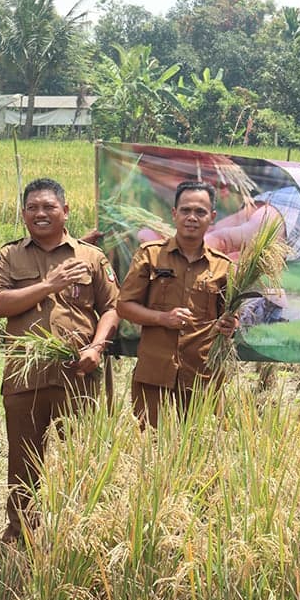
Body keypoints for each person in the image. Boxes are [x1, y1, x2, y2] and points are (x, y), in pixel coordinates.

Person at [0, 178, 119, 543]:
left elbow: (112, 308)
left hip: (78, 376)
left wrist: (96, 347)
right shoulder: (8, 256)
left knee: (80, 457)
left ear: (66, 211)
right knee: (24, 462)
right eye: (32, 208)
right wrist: (49, 285)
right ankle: (22, 534)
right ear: (24, 213)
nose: (40, 214)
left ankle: (77, 532)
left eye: (48, 207)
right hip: (25, 379)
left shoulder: (91, 257)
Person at [116, 181, 238, 427]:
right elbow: (124, 306)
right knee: (148, 448)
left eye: (200, 212)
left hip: (201, 375)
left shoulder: (223, 266)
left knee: (197, 449)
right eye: (185, 210)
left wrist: (230, 324)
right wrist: (163, 318)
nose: (192, 217)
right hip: (154, 372)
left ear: (212, 217)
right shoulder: (150, 254)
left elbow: (229, 316)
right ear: (174, 214)